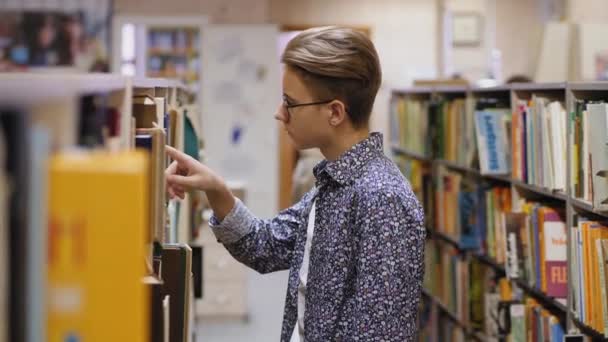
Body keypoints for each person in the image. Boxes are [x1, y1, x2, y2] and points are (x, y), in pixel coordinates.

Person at [165, 26, 425, 341]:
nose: (279, 113)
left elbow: (381, 335)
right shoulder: (331, 183)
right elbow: (265, 246)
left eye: (290, 103)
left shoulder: (382, 199)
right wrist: (216, 189)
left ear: (335, 112)